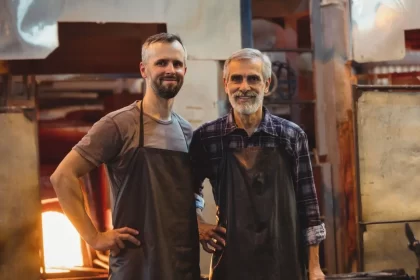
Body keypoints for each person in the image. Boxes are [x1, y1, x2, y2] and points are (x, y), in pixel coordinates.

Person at [50, 33, 200, 280]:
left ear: (185, 69)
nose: (170, 69)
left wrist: (200, 222)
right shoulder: (118, 124)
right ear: (144, 70)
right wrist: (94, 237)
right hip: (135, 267)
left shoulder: (186, 131)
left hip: (180, 266)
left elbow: (186, 193)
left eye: (177, 63)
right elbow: (62, 176)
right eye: (161, 63)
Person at [190, 48, 326, 280]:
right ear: (226, 84)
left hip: (285, 261)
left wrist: (314, 267)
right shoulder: (207, 137)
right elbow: (188, 189)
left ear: (266, 83)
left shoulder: (291, 136)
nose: (244, 87)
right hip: (231, 263)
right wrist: (198, 222)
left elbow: (308, 206)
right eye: (236, 79)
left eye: (253, 78)